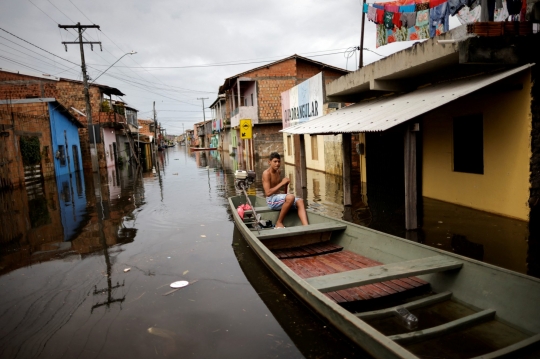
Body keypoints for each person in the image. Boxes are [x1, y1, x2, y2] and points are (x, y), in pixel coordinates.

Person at [262, 152, 308, 228]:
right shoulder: (266, 173)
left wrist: (285, 185)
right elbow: (268, 193)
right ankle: (279, 222)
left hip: (278, 197)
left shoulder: (278, 172)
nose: (277, 164)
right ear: (269, 162)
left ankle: (306, 227)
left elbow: (283, 194)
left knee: (300, 201)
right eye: (275, 161)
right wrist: (282, 183)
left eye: (279, 161)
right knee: (291, 197)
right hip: (271, 200)